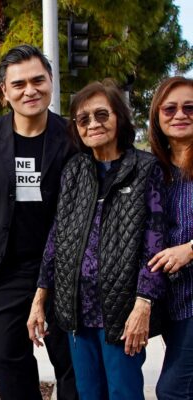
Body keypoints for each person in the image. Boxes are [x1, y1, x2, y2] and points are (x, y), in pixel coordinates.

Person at [27, 79, 167, 400]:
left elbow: (155, 242)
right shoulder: (74, 171)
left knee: (123, 392)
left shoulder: (146, 169)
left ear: (119, 117)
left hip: (122, 311)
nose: (93, 124)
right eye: (83, 119)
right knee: (87, 393)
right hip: (76, 310)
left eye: (102, 115)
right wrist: (39, 300)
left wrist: (143, 305)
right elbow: (56, 238)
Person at [0, 44, 78, 400]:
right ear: (4, 91)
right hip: (4, 270)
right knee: (2, 354)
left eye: (37, 80)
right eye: (18, 84)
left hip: (65, 271)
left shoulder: (74, 139)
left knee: (73, 363)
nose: (29, 90)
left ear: (50, 82)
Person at [147, 76, 193, 400]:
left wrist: (190, 249)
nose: (180, 114)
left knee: (173, 391)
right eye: (171, 108)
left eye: (190, 107)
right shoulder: (155, 172)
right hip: (174, 306)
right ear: (157, 116)